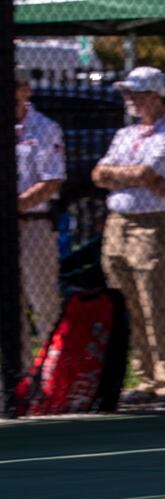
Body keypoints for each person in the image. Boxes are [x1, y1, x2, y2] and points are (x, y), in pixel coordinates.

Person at [91, 66, 165, 407]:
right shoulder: (125, 134)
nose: (130, 100)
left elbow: (151, 174)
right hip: (117, 221)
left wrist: (128, 175)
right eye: (127, 94)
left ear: (155, 95)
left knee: (153, 303)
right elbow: (98, 174)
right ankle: (145, 379)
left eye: (136, 93)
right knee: (126, 304)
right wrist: (134, 177)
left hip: (152, 223)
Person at [15, 65, 65, 366]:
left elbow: (52, 181)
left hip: (33, 226)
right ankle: (15, 377)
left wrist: (15, 207)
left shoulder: (45, 128)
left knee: (43, 303)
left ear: (25, 90)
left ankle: (52, 375)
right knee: (8, 308)